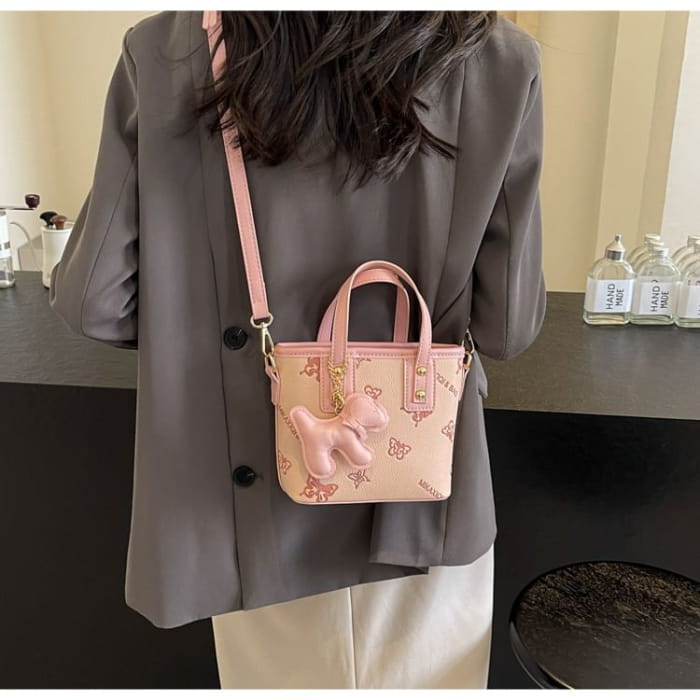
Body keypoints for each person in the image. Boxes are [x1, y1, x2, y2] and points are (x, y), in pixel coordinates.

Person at [49, 9, 545, 690]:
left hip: (250, 503)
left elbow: (94, 302)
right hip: (419, 488)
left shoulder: (168, 48)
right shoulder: (498, 57)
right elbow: (507, 327)